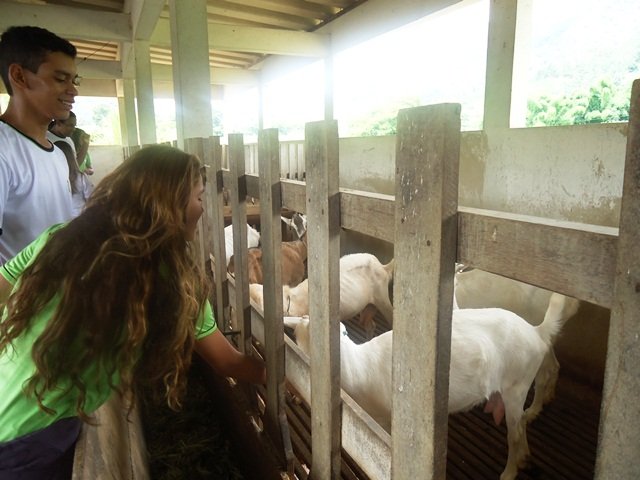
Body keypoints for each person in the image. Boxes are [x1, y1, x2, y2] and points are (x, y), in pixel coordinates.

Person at [0, 145, 267, 478]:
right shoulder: (172, 283)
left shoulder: (57, 240)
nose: (203, 207)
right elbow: (228, 362)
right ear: (170, 205)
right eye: (198, 197)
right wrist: (281, 376)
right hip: (32, 438)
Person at [0, 26, 77, 264]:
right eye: (60, 79)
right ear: (19, 76)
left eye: (74, 81)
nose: (73, 91)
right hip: (22, 289)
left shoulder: (57, 154)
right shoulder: (4, 149)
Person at [55, 140, 93, 217]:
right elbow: (91, 198)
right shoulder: (80, 177)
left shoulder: (51, 179)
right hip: (79, 218)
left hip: (60, 219)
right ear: (72, 156)